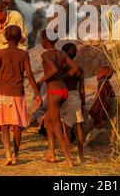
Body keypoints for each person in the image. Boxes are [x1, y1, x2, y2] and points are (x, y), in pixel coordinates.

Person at [0, 25, 41, 166]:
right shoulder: (23, 54)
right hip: (18, 93)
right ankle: (16, 155)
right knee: (17, 126)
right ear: (19, 39)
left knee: (4, 125)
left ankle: (7, 154)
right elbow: (29, 74)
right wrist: (37, 92)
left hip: (3, 92)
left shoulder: (0, 53)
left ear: (5, 37)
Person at [37, 29, 79, 167]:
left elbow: (54, 70)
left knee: (56, 126)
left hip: (54, 92)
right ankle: (51, 153)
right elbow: (74, 68)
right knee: (48, 120)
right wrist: (64, 77)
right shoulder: (62, 53)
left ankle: (68, 160)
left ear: (44, 41)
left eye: (41, 40)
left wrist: (41, 80)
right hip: (64, 91)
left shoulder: (45, 55)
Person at [60, 43, 86, 164]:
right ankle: (81, 155)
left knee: (66, 128)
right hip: (76, 97)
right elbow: (82, 89)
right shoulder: (79, 69)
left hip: (66, 97)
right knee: (78, 127)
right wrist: (83, 103)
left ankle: (68, 156)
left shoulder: (62, 68)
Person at [86, 66, 116, 145]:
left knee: (93, 125)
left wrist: (100, 111)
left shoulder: (102, 82)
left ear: (103, 74)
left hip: (99, 110)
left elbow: (102, 98)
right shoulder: (106, 82)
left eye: (99, 73)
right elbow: (112, 95)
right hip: (102, 109)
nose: (97, 74)